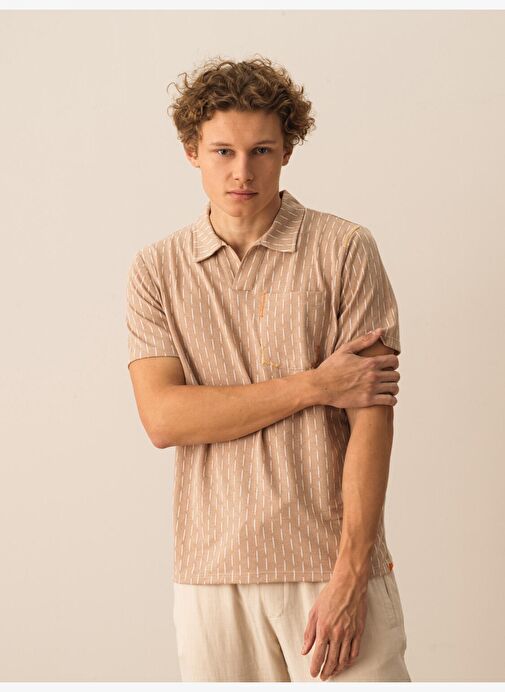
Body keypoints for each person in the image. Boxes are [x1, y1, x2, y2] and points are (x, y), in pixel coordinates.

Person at [126, 55, 411, 683]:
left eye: (261, 151)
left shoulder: (344, 249)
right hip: (210, 572)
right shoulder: (157, 271)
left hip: (328, 565)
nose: (242, 172)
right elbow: (164, 418)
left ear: (287, 151)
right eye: (222, 152)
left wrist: (350, 575)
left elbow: (372, 420)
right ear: (191, 152)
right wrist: (316, 384)